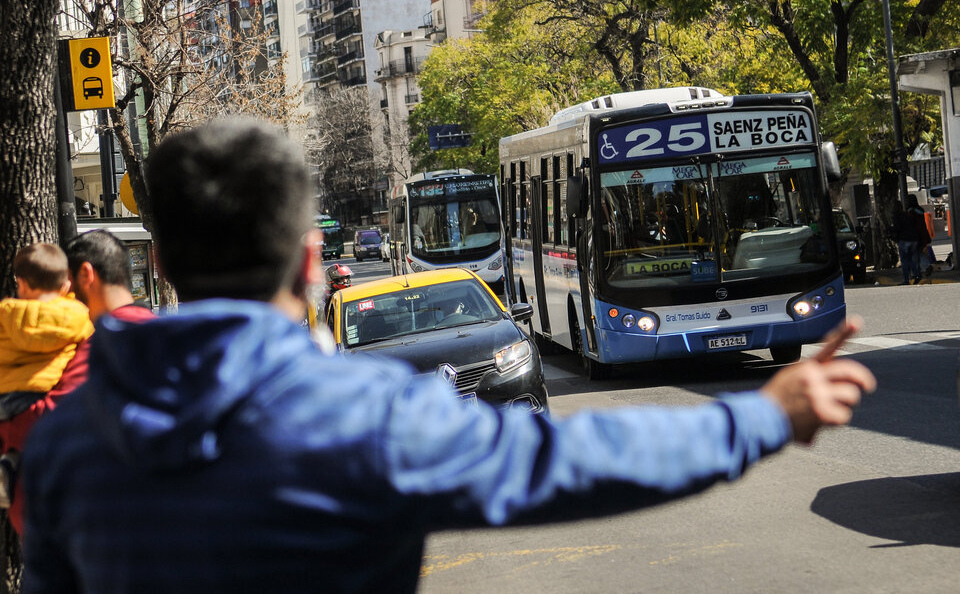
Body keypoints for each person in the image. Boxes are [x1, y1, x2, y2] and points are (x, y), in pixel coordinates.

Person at [21, 118, 875, 594]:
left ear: (161, 264)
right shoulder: (359, 416)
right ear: (314, 263)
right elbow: (575, 461)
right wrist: (764, 416)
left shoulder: (65, 436)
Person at [0, 231, 154, 534]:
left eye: (64, 287)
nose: (62, 299)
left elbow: (46, 417)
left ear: (85, 274)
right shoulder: (152, 330)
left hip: (82, 524)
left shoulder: (106, 340)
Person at [0, 244, 94, 509]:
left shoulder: (6, 316)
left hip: (7, 401)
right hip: (48, 396)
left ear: (21, 283)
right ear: (65, 285)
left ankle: (10, 463)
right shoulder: (78, 318)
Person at [890, 200, 920, 285]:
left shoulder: (896, 216)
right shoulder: (907, 214)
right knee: (911, 259)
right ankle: (916, 274)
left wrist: (890, 229)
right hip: (913, 239)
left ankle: (906, 279)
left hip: (904, 239)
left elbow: (897, 228)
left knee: (905, 260)